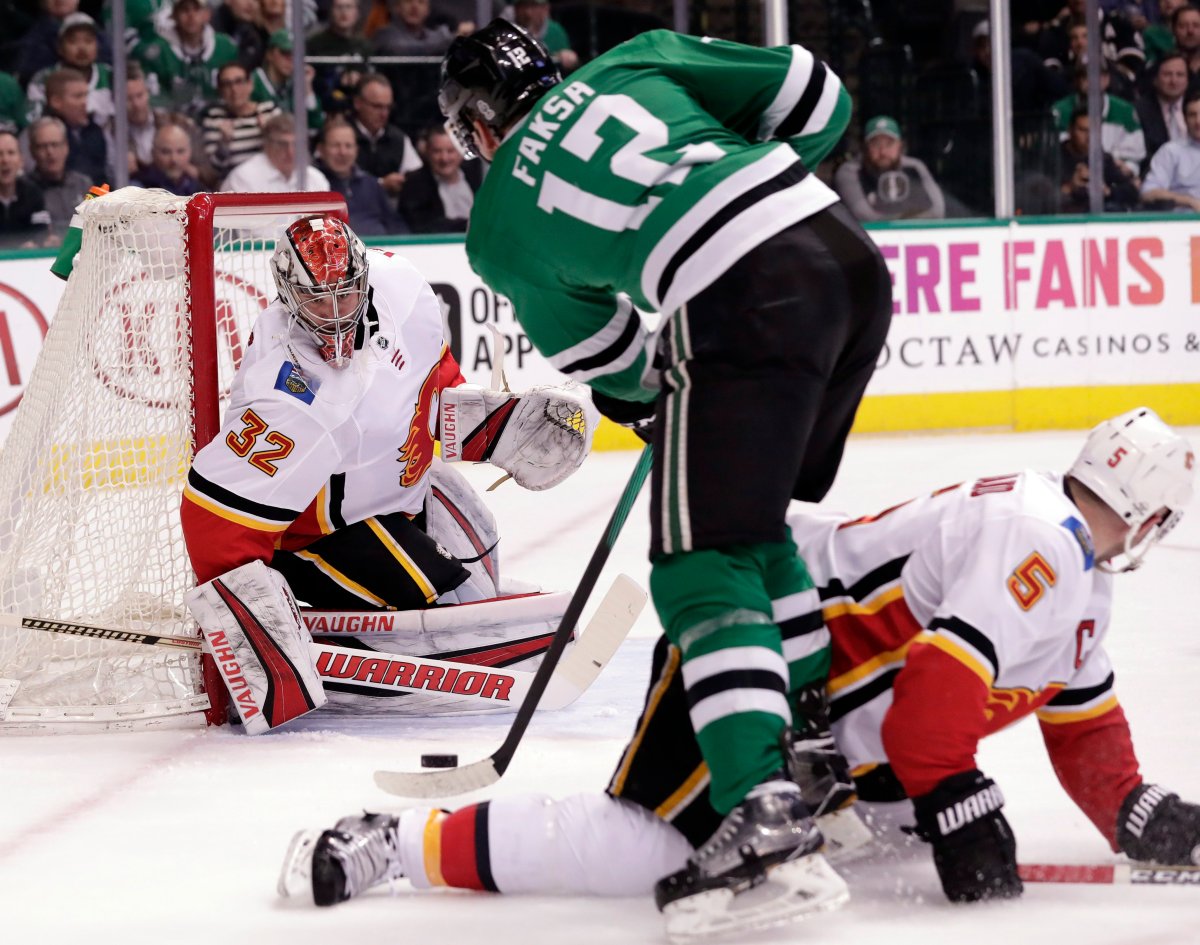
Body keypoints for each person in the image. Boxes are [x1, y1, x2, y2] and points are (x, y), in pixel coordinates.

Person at [324, 20, 887, 938]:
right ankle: (817, 759)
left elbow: (609, 355)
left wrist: (658, 383)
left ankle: (765, 813)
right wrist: (748, 190)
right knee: (748, 528)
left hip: (746, 298)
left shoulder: (498, 222)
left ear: (479, 127)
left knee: (697, 559)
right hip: (847, 260)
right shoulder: (638, 56)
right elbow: (821, 94)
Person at [279, 407, 1200, 919]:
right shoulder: (1037, 541)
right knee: (649, 845)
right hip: (749, 628)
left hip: (822, 704)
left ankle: (829, 804)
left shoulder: (1074, 578)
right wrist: (955, 796)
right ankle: (393, 843)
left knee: (885, 821)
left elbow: (1081, 718)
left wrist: (1139, 813)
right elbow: (930, 715)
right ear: (1152, 518)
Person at [180, 215, 599, 728]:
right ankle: (341, 647)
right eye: (317, 300)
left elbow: (431, 385)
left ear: (365, 278)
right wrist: (251, 630)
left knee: (479, 560)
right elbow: (212, 520)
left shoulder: (403, 288)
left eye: (346, 294)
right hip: (315, 535)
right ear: (289, 296)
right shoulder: (287, 393)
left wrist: (495, 425)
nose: (335, 314)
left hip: (400, 493)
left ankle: (422, 617)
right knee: (440, 594)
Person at [136, 0, 239, 116]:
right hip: (175, 121)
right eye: (184, 10)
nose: (191, 16)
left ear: (207, 14)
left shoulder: (226, 46)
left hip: (222, 119)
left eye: (196, 10)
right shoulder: (158, 52)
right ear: (174, 15)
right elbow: (154, 100)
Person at [833, 115, 947, 221]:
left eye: (889, 144)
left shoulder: (914, 167)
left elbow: (938, 211)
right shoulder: (850, 171)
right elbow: (863, 215)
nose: (883, 152)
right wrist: (909, 218)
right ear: (865, 148)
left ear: (900, 145)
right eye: (876, 144)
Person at [314, 117, 408, 235]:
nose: (343, 152)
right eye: (335, 146)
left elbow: (397, 227)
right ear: (321, 149)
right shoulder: (313, 184)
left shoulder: (372, 185)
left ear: (356, 150)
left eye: (348, 146)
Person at [1050, 61, 1145, 170]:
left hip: (1115, 171)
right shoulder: (1060, 110)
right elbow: (1054, 151)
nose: (1091, 81)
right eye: (1085, 76)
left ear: (1107, 79)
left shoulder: (1125, 110)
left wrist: (1125, 167)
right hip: (1070, 170)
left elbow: (1136, 153)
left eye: (1097, 75)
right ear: (1077, 80)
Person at [25, 13, 114, 128]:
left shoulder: (111, 75)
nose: (82, 48)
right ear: (60, 48)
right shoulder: (43, 79)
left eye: (88, 41)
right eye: (73, 41)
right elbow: (33, 123)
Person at [199, 61, 281, 183]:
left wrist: (269, 136)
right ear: (220, 90)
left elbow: (286, 157)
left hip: (271, 183)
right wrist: (223, 145)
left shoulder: (270, 111)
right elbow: (212, 174)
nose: (234, 90)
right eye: (227, 84)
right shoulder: (213, 118)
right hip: (233, 187)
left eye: (239, 82)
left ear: (250, 85)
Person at [349, 74, 423, 201]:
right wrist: (380, 185)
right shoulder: (341, 136)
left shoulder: (398, 139)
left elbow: (418, 177)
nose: (384, 114)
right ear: (358, 103)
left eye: (388, 107)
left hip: (389, 212)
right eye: (377, 106)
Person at [398, 124, 481, 232]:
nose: (444, 158)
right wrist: (468, 225)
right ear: (427, 152)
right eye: (437, 151)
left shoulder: (476, 176)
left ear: (462, 152)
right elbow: (422, 225)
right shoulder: (414, 183)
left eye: (450, 151)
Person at [219, 112, 330, 191]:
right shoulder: (243, 179)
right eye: (282, 145)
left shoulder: (315, 179)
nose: (290, 152)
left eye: (296, 145)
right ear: (267, 144)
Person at [1059, 109, 1141, 212]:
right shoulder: (1053, 156)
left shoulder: (1102, 158)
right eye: (1083, 130)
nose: (1089, 137)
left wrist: (1107, 191)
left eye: (1093, 131)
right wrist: (1070, 188)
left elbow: (1131, 191)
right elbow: (1038, 197)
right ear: (1070, 131)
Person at [35, 69, 107, 187]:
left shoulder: (94, 131)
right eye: (78, 96)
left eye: (85, 96)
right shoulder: (40, 135)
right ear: (56, 101)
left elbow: (103, 178)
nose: (85, 102)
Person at [24, 115, 91, 239]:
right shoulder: (24, 190)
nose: (50, 152)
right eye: (42, 146)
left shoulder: (83, 184)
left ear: (66, 147)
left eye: (55, 145)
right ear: (32, 151)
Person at [251, 30, 324, 129]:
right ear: (269, 54)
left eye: (296, 54)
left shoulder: (296, 82)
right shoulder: (253, 82)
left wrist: (307, 86)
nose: (291, 59)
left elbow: (316, 123)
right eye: (285, 53)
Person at [1141, 90, 1200, 209]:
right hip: (1184, 222)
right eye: (1192, 115)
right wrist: (1189, 201)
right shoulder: (1171, 151)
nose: (1198, 121)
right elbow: (1148, 193)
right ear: (1184, 119)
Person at [1136, 52, 1190, 171]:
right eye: (1167, 74)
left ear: (1187, 80)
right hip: (1155, 174)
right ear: (1155, 79)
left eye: (1180, 75)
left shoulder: (1195, 105)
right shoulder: (1140, 110)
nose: (1174, 81)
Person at [0, 129, 51, 245]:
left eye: (11, 153)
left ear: (21, 160)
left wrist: (35, 243)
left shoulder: (33, 193)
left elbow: (41, 232)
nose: (5, 160)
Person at [131, 122, 203, 195]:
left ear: (190, 152)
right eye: (166, 152)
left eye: (180, 151)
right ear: (153, 153)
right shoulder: (138, 189)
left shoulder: (197, 188)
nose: (174, 160)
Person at [510, 0, 578, 71]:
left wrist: (567, 58)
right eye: (523, 7)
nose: (527, 13)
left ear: (545, 9)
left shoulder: (555, 30)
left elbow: (569, 60)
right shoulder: (510, 33)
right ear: (515, 9)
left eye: (534, 7)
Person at [371, 0, 455, 56]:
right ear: (397, 7)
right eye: (408, 1)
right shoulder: (385, 35)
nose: (414, 7)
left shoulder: (436, 37)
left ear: (428, 10)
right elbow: (402, 49)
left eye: (421, 2)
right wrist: (447, 40)